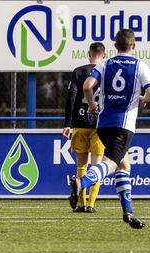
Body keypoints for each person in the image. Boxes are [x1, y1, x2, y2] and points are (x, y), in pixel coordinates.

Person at [68, 29, 150, 229]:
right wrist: (143, 100)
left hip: (103, 125)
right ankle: (82, 183)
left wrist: (92, 105)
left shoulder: (104, 64)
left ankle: (128, 212)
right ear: (134, 46)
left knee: (124, 165)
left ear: (115, 46)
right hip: (123, 126)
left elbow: (87, 86)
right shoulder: (140, 65)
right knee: (109, 164)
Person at [63, 42, 106, 214]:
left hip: (80, 124)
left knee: (81, 164)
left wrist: (67, 123)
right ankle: (91, 204)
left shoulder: (79, 71)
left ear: (89, 54)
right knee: (97, 166)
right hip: (99, 125)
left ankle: (80, 204)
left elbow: (72, 95)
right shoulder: (106, 71)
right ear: (104, 55)